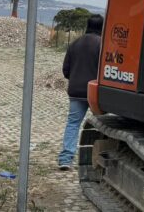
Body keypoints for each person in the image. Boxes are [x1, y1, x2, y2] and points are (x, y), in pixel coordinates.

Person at [58, 14, 103, 170]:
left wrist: (76, 78)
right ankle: (99, 158)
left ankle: (65, 159)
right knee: (104, 125)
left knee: (72, 124)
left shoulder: (75, 44)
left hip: (76, 91)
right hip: (96, 92)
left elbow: (66, 70)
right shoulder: (102, 44)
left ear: (88, 26)